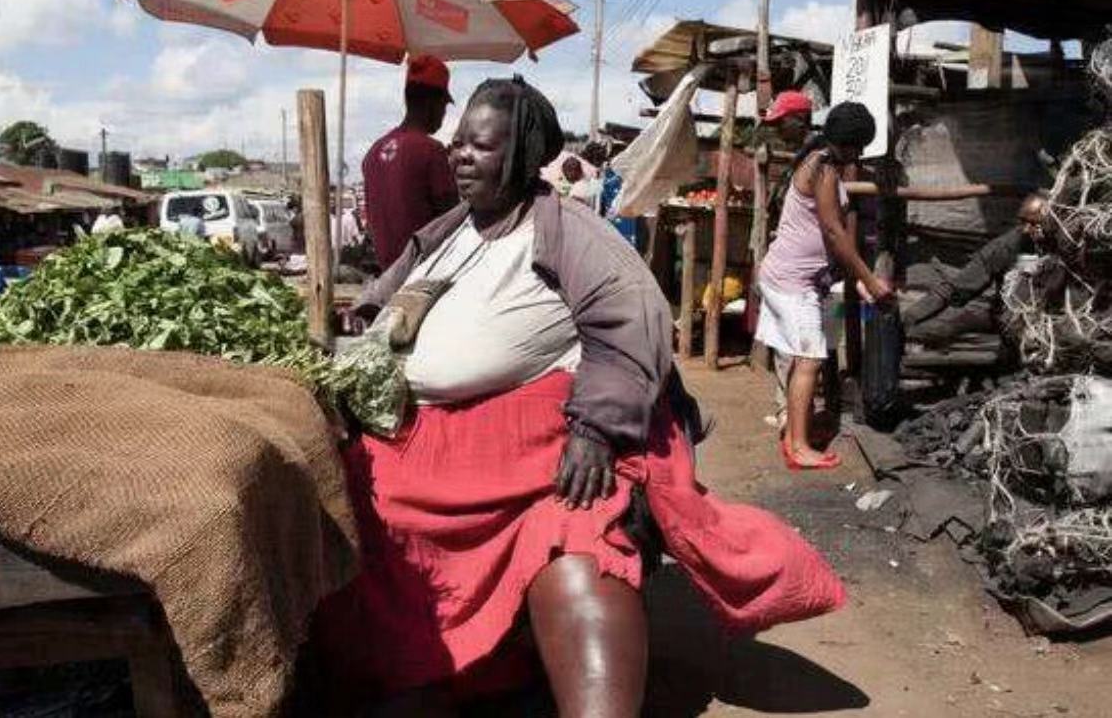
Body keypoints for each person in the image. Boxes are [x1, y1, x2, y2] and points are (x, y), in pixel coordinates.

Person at [316, 76, 845, 716]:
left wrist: (595, 428)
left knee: (575, 528)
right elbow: (383, 297)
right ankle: (422, 670)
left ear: (522, 155)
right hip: (427, 446)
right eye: (458, 144)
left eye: (480, 147)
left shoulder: (568, 232)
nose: (459, 157)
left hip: (532, 442)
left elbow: (633, 323)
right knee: (358, 511)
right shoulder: (446, 232)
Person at [755, 102, 893, 470]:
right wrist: (870, 282)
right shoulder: (823, 169)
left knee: (807, 354)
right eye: (857, 146)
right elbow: (833, 232)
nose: (859, 154)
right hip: (792, 282)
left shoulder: (820, 160)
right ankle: (797, 446)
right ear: (846, 142)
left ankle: (796, 430)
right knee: (811, 358)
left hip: (799, 280)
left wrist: (857, 282)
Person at [903, 192, 1051, 345]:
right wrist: (913, 315)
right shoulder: (1007, 246)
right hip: (1022, 322)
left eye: (1034, 224)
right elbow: (959, 286)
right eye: (1022, 222)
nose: (1026, 229)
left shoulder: (1070, 247)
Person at [362, 54, 459, 270]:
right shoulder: (431, 151)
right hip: (422, 276)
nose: (443, 115)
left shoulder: (373, 152)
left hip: (387, 278)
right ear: (431, 103)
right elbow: (453, 222)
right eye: (443, 106)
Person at [758, 90, 817, 433]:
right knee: (785, 345)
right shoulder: (804, 155)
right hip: (787, 265)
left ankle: (792, 418)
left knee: (798, 348)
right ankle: (784, 409)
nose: (779, 130)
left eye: (782, 123)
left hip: (799, 270)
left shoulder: (816, 156)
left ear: (799, 119)